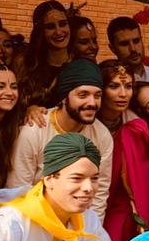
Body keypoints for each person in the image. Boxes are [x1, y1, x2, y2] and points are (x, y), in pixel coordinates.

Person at [10, 60, 115, 215]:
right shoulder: (34, 130)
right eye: (83, 95)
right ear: (64, 97)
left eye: (97, 95)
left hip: (76, 225)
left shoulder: (102, 136)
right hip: (33, 221)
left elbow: (98, 196)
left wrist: (89, 236)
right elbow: (18, 191)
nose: (92, 103)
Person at [97, 59, 149, 241]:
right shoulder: (85, 120)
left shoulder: (135, 127)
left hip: (122, 203)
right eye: (114, 86)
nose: (123, 94)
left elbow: (143, 179)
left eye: (128, 86)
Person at [105, 16, 149, 91]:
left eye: (136, 41)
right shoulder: (109, 81)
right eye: (124, 44)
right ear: (112, 49)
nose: (133, 49)